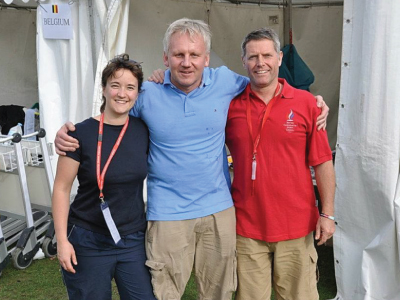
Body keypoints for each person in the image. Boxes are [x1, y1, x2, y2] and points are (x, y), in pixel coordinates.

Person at [54, 19, 329, 300]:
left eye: (194, 55)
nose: (187, 62)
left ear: (206, 59)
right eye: (178, 55)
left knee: (218, 293)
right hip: (167, 216)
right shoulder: (147, 94)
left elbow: (266, 82)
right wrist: (69, 132)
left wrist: (313, 101)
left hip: (218, 212)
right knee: (165, 293)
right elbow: (112, 116)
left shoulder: (225, 82)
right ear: (166, 58)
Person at [225, 28, 336, 300]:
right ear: (243, 60)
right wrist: (162, 75)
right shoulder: (229, 104)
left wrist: (328, 214)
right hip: (246, 227)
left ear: (279, 58)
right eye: (253, 57)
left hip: (295, 226)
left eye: (266, 55)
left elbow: (323, 162)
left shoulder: (307, 103)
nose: (260, 63)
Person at [52, 54, 156, 300]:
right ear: (104, 89)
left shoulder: (143, 130)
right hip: (88, 239)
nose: (122, 93)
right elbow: (61, 189)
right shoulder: (79, 133)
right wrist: (62, 241)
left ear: (138, 93)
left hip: (132, 239)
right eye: (115, 85)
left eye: (130, 87)